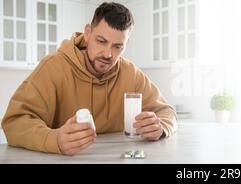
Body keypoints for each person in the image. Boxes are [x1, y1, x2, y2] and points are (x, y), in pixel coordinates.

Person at [1, 2, 177, 155]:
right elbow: (14, 123)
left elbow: (167, 112)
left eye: (117, 47)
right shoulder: (52, 67)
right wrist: (54, 140)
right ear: (87, 33)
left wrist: (160, 128)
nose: (108, 54)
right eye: (101, 41)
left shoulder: (131, 73)